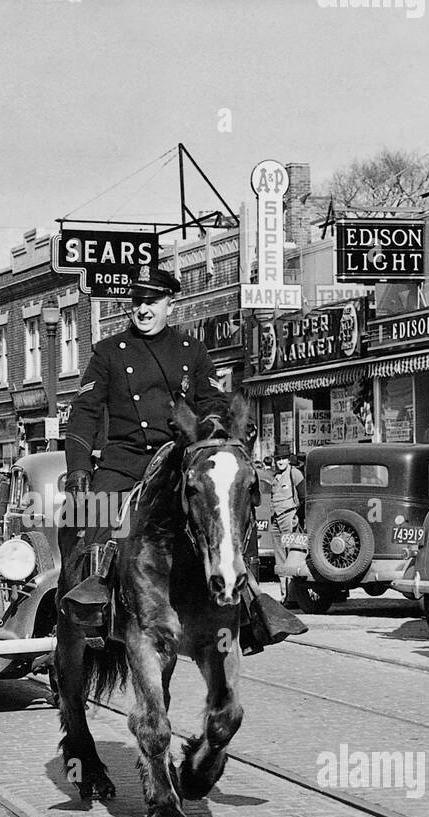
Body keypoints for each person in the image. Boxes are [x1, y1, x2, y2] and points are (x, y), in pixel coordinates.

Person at [59, 264, 305, 650]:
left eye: (152, 301)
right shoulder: (107, 352)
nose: (143, 309)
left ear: (169, 304)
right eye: (138, 301)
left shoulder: (192, 350)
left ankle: (250, 603)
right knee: (95, 514)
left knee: (227, 510)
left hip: (178, 459)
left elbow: (212, 400)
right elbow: (86, 409)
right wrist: (77, 468)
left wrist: (218, 423)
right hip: (124, 461)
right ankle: (94, 601)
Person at [269, 444, 303, 534]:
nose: (280, 462)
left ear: (288, 460)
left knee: (290, 547)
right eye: (278, 459)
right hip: (275, 518)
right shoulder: (275, 476)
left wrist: (297, 516)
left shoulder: (295, 473)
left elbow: (304, 497)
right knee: (277, 547)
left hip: (289, 517)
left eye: (283, 459)